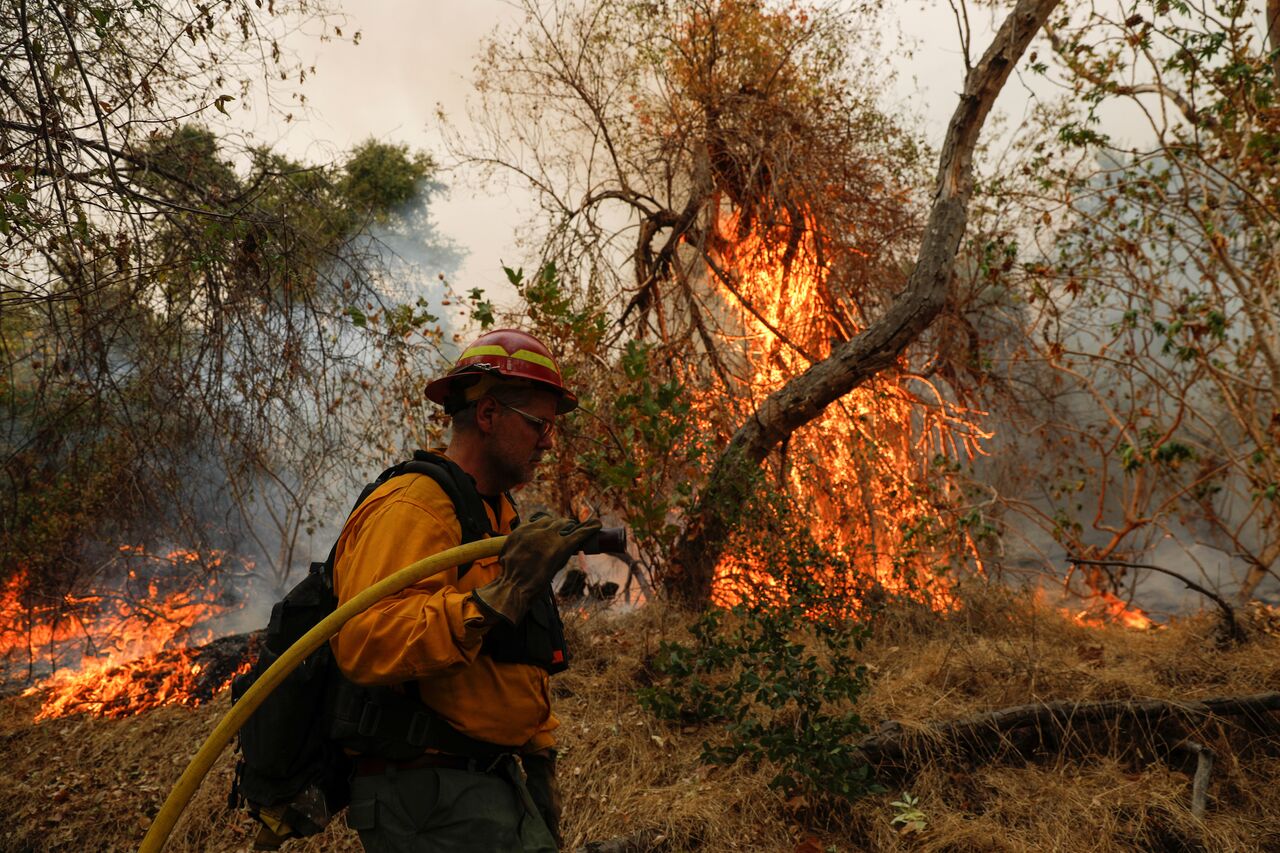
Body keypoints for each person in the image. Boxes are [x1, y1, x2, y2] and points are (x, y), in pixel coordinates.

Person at [330, 328, 599, 852]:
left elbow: (510, 661)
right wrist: (495, 600)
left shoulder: (493, 513)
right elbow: (365, 640)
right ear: (489, 414)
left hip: (490, 782)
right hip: (431, 797)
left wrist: (538, 757)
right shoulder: (416, 504)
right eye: (540, 424)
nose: (549, 441)